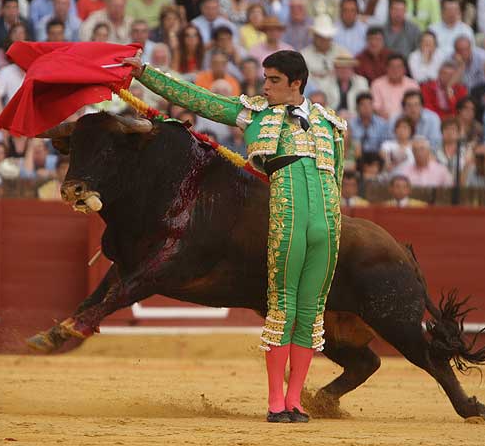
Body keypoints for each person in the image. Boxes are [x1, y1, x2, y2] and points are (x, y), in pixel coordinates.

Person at [126, 49, 346, 423]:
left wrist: (333, 222)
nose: (266, 86)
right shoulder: (254, 112)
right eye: (265, 78)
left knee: (310, 313)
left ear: (296, 83)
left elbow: (336, 178)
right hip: (287, 215)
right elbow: (199, 99)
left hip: (327, 224)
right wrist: (144, 74)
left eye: (274, 80)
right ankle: (276, 401)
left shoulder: (332, 124)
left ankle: (296, 400)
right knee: (283, 306)